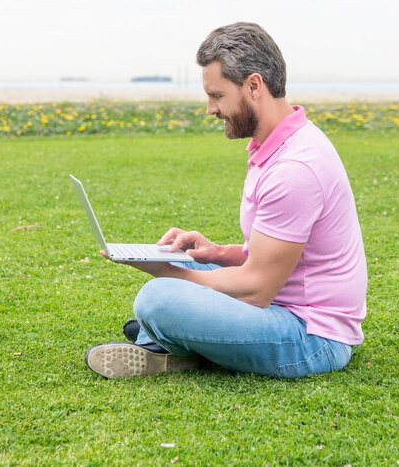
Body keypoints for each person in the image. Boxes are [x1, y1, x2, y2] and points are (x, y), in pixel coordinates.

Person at [85, 22, 367, 379]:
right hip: (281, 301)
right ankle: (174, 337)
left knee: (156, 298)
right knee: (186, 280)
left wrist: (170, 273)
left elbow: (259, 288)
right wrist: (217, 253)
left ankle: (167, 341)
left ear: (253, 86)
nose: (210, 109)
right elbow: (277, 257)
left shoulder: (295, 167)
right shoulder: (277, 145)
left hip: (311, 336)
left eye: (217, 95)